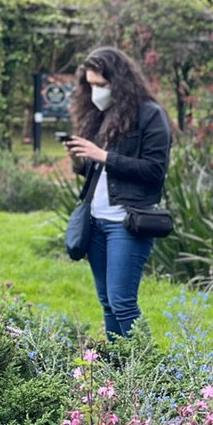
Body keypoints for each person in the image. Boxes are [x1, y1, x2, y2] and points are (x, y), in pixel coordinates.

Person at [65, 46, 171, 338]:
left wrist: (103, 156)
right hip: (96, 222)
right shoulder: (100, 114)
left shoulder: (150, 115)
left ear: (119, 82)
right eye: (91, 86)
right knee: (108, 303)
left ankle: (151, 370)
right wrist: (81, 161)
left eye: (101, 85)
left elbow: (154, 170)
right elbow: (97, 172)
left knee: (123, 302)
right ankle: (117, 371)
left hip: (127, 222)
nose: (96, 91)